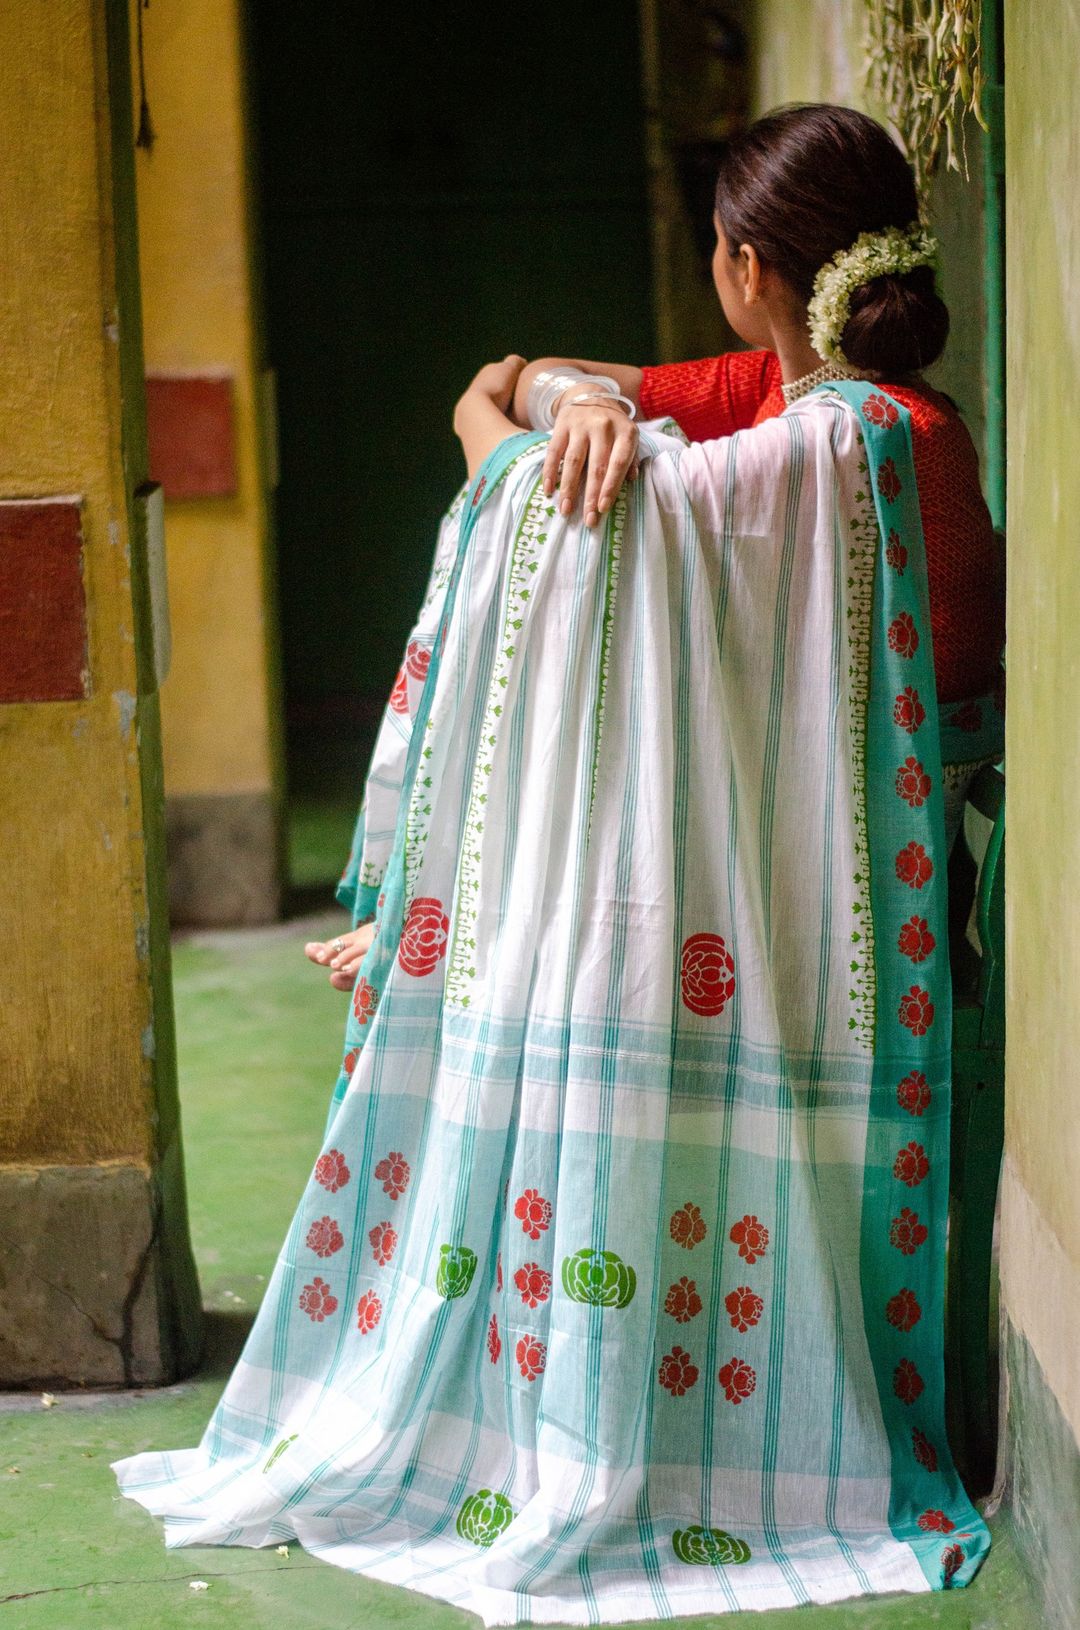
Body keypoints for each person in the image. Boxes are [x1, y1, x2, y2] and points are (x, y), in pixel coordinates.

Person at [115, 104, 999, 1621]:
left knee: (545, 951)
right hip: (893, 909)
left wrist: (539, 438)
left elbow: (523, 481)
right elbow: (511, 385)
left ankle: (594, 1403)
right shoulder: (880, 423)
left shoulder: (791, 452)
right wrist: (572, 392)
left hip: (799, 912)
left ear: (742, 270)